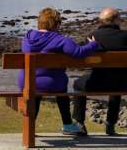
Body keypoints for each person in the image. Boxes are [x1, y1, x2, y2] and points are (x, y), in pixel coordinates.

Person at [18, 7, 99, 136]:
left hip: (26, 82)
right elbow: (79, 52)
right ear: (56, 24)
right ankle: (67, 124)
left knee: (36, 89)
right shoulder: (61, 40)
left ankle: (31, 125)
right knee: (60, 88)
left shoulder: (27, 38)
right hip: (52, 83)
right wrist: (93, 44)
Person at [72, 7, 127, 136]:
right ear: (116, 20)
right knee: (116, 79)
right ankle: (110, 124)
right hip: (122, 83)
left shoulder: (93, 36)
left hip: (97, 82)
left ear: (102, 21)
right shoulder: (125, 37)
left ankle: (79, 123)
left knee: (77, 84)